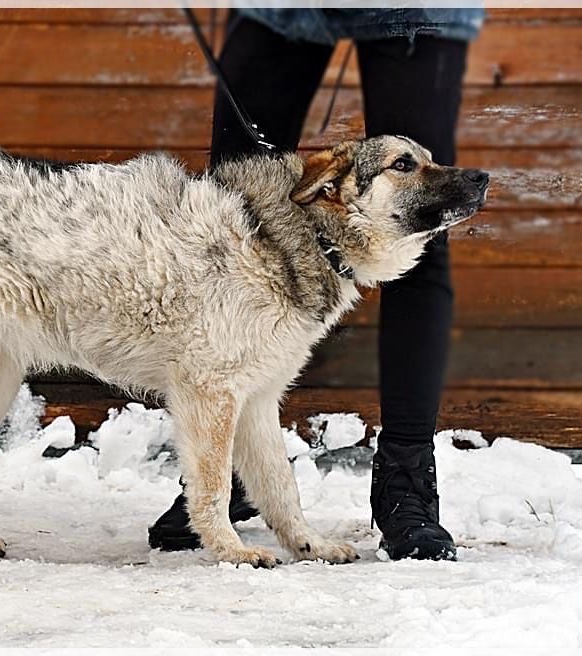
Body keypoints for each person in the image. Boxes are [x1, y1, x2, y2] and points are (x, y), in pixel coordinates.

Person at [148, 7, 485, 561]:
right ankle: (229, 470)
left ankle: (407, 485)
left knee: (418, 216)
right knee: (228, 212)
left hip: (414, 12)